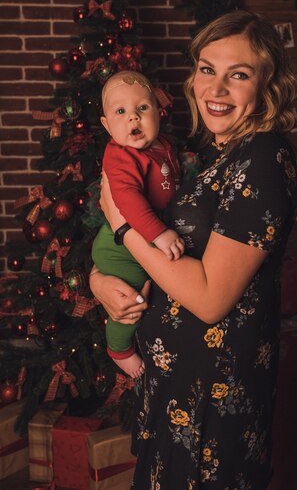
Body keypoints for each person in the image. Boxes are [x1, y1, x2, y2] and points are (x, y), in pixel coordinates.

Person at [90, 10, 297, 489]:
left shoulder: (263, 158)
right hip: (174, 382)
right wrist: (100, 282)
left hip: (214, 395)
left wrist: (124, 227)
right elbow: (150, 240)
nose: (216, 89)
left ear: (267, 86)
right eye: (208, 69)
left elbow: (209, 299)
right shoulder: (205, 152)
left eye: (238, 75)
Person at [92, 70, 184, 378]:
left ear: (158, 111)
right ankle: (119, 349)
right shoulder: (120, 156)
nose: (133, 118)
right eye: (121, 112)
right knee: (131, 299)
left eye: (142, 108)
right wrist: (159, 233)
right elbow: (126, 199)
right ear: (107, 124)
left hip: (141, 237)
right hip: (119, 248)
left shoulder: (162, 145)